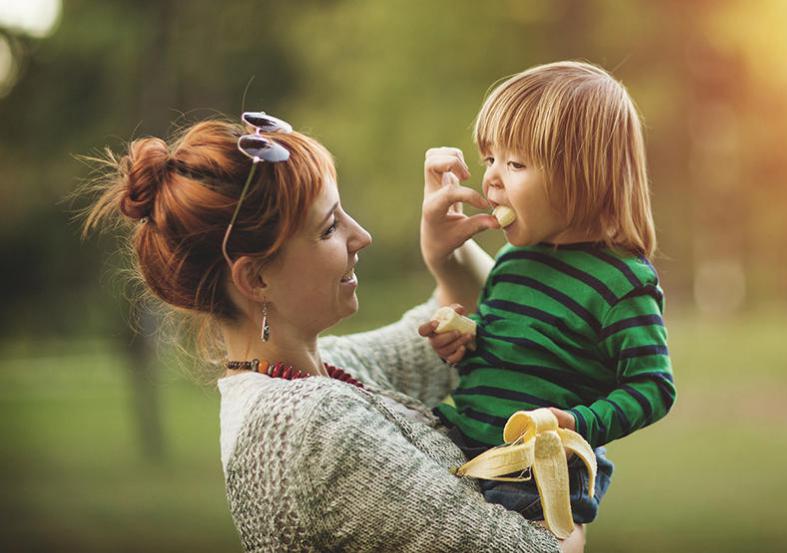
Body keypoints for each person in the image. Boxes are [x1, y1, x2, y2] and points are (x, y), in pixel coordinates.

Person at [79, 112, 585, 552]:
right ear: (255, 278)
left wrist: (444, 251)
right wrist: (571, 471)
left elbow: (465, 324)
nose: (360, 235)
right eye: (328, 228)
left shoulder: (319, 374)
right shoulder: (308, 428)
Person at [420, 61, 676, 525]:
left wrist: (577, 423)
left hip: (539, 473)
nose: (493, 178)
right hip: (468, 439)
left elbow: (653, 387)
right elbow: (510, 356)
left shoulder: (623, 282)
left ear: (583, 176)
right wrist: (465, 342)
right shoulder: (514, 264)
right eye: (490, 159)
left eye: (515, 163)